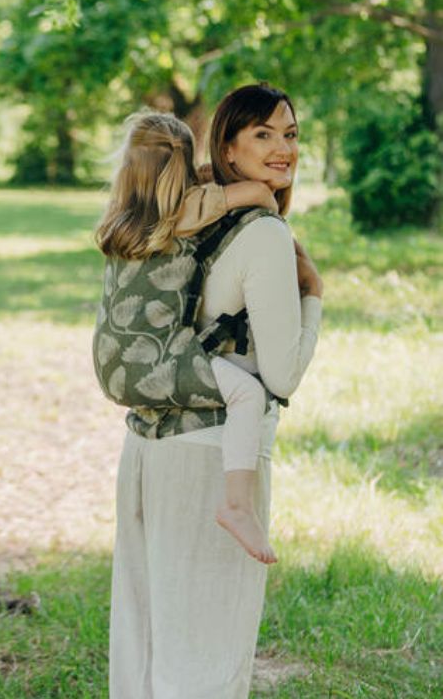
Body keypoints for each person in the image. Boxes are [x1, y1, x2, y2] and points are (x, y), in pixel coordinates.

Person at [103, 85, 323, 699]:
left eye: (292, 134)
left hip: (149, 447)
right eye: (264, 135)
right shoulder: (264, 234)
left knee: (144, 649)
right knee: (205, 658)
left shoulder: (183, 215)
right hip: (212, 453)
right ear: (226, 145)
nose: (283, 149)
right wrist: (314, 298)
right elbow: (281, 376)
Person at [94, 111, 282, 565]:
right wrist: (269, 215)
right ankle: (237, 505)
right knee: (247, 395)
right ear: (184, 164)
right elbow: (258, 192)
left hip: (110, 362)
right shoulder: (188, 211)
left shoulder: (119, 218)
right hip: (157, 357)